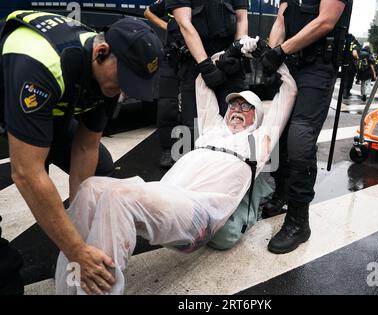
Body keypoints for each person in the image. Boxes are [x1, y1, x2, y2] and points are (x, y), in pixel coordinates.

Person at [55, 57, 298, 295]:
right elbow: (202, 84)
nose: (237, 109)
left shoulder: (258, 142)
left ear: (258, 118)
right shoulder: (212, 129)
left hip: (199, 213)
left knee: (118, 197)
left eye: (246, 107)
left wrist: (273, 58)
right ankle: (68, 289)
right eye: (234, 105)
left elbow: (289, 93)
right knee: (89, 190)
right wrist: (223, 56)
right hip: (165, 196)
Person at [0, 11, 163, 292]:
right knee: (5, 275)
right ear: (101, 52)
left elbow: (87, 146)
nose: (123, 92)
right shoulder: (41, 60)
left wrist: (79, 235)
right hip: (10, 101)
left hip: (51, 112)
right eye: (123, 80)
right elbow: (26, 173)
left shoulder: (107, 73)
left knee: (101, 165)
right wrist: (77, 251)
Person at [258, 0, 353, 254]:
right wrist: (271, 54)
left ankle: (299, 222)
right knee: (279, 134)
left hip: (317, 68)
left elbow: (326, 21)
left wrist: (281, 51)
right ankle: (282, 193)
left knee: (300, 139)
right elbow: (281, 20)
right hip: (290, 64)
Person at [165, 0, 250, 148]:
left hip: (228, 61)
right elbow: (185, 24)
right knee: (194, 130)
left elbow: (241, 19)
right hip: (195, 63)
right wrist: (206, 67)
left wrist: (235, 52)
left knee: (235, 126)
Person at [144, 1, 181, 168]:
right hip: (172, 56)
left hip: (198, 57)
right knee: (167, 105)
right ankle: (168, 150)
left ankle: (191, 149)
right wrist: (169, 27)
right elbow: (148, 12)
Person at [343, 34, 360, 100]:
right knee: (350, 78)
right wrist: (357, 58)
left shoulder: (344, 45)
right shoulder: (354, 45)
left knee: (345, 78)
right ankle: (347, 92)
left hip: (344, 63)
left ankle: (344, 92)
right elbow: (354, 54)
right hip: (351, 65)